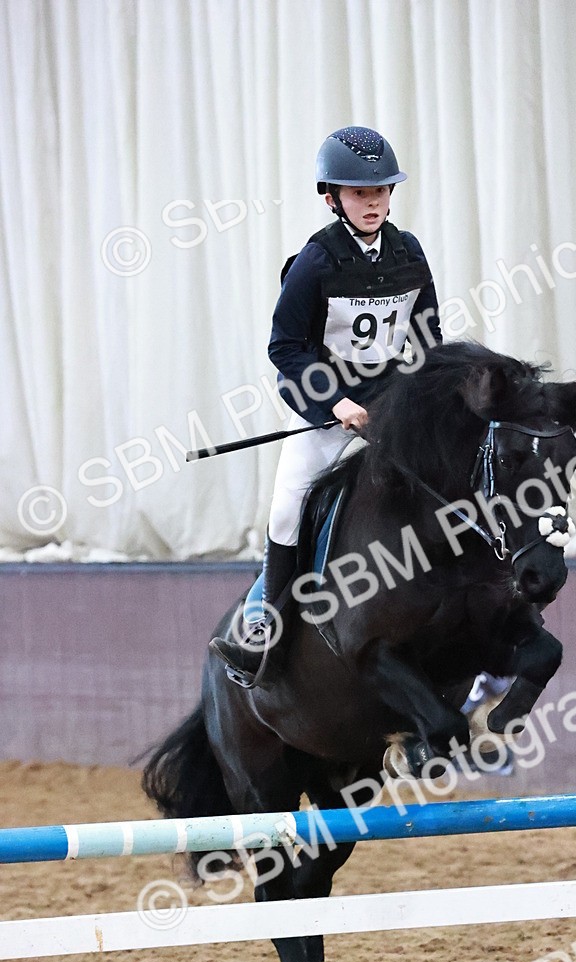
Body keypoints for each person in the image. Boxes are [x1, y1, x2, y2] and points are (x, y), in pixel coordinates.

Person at [210, 126, 442, 682]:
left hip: (389, 411)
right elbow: (284, 346)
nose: (374, 203)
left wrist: (428, 402)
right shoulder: (315, 261)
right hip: (325, 412)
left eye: (382, 192)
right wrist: (333, 401)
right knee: (288, 509)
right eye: (361, 193)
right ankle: (266, 630)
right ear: (331, 197)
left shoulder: (409, 253)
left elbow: (429, 337)